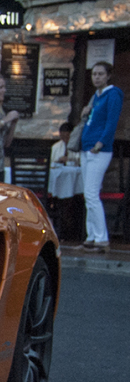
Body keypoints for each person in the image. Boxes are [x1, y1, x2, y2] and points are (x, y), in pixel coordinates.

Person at [79, 61, 123, 252]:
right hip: (86, 146)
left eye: (100, 74)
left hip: (98, 149)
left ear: (108, 76)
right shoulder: (95, 96)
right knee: (88, 194)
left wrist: (101, 143)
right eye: (94, 74)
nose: (96, 77)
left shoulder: (113, 94)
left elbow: (111, 122)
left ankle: (101, 238)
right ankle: (91, 236)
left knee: (91, 193)